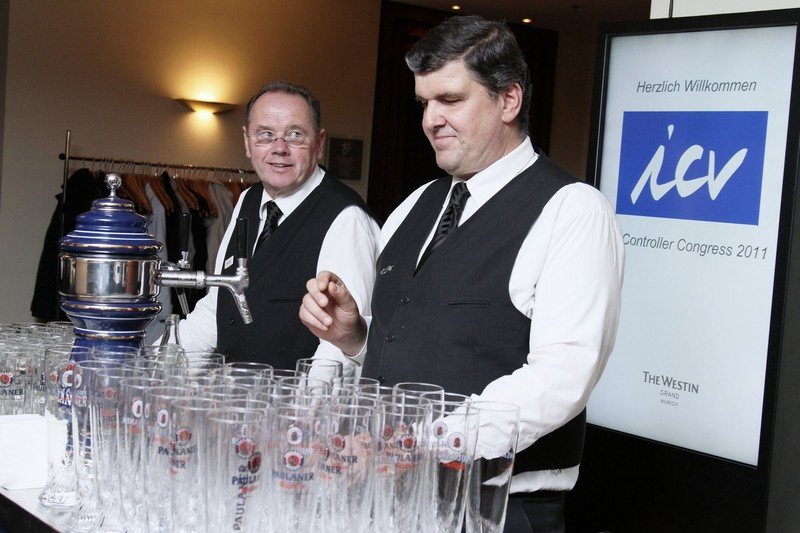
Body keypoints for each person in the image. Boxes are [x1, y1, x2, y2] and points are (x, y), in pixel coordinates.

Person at [299, 15, 624, 532]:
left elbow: (563, 375)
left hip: (496, 508)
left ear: (508, 100)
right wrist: (355, 337)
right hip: (389, 502)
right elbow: (419, 341)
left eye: (450, 100)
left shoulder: (573, 210)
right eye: (424, 103)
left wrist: (420, 443)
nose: (431, 119)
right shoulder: (415, 205)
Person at [178, 81, 380, 373]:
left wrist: (309, 401)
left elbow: (339, 347)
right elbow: (218, 305)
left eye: (295, 135)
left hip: (294, 400)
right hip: (233, 395)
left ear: (319, 144)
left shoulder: (347, 218)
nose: (279, 148)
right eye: (266, 135)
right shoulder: (248, 200)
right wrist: (158, 369)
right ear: (247, 142)